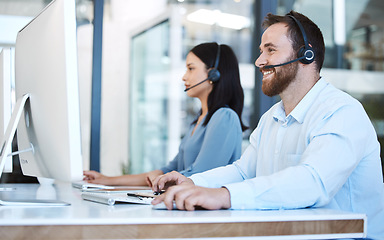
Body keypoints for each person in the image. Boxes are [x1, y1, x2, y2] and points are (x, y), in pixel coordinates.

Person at [151, 11, 384, 239]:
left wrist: (224, 196)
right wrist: (193, 182)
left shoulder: (341, 112)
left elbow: (312, 183)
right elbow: (244, 171)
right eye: (261, 51)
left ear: (306, 56)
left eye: (270, 50)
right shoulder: (272, 116)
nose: (259, 61)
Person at [83, 42, 248, 186]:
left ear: (213, 74)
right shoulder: (199, 121)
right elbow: (169, 171)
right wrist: (107, 180)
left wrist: (160, 180)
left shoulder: (224, 117)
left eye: (191, 69)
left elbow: (201, 176)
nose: (184, 77)